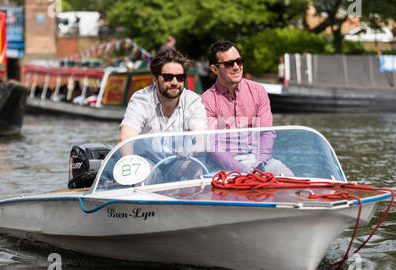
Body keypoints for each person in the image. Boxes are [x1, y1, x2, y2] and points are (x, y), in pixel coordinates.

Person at [201, 40, 293, 177]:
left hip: (260, 161)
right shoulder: (206, 100)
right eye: (229, 64)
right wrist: (242, 168)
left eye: (239, 61)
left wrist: (261, 161)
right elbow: (213, 147)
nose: (236, 67)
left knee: (292, 183)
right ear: (215, 69)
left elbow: (266, 132)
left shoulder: (258, 91)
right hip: (222, 167)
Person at [119, 48, 208, 183]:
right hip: (146, 160)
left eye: (180, 78)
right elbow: (126, 138)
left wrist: (189, 149)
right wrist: (131, 167)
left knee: (195, 169)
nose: (174, 82)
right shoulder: (141, 99)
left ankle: (192, 201)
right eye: (168, 77)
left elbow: (202, 139)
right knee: (144, 174)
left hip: (178, 160)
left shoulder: (193, 100)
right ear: (155, 80)